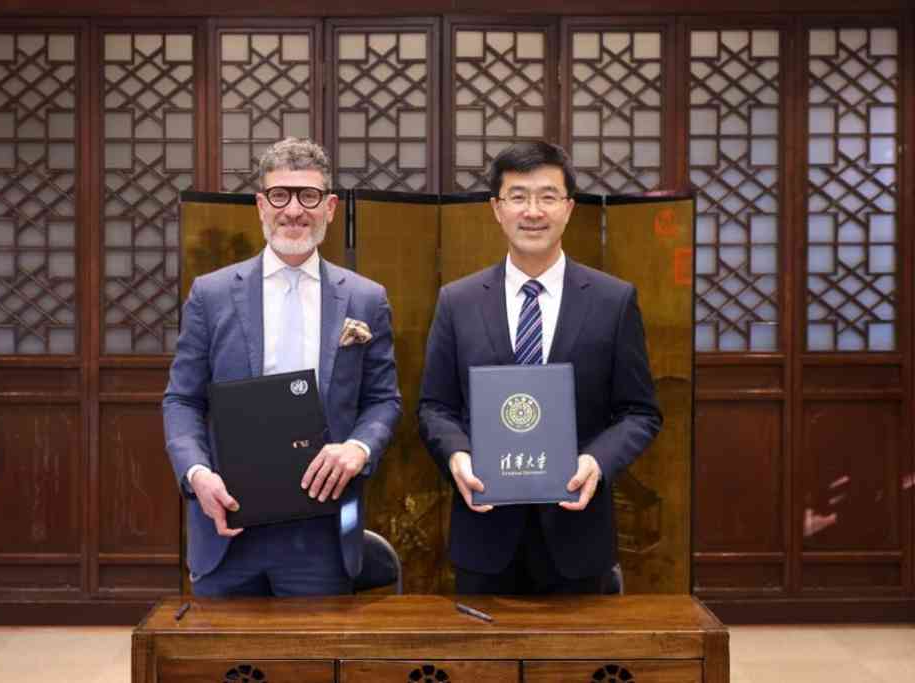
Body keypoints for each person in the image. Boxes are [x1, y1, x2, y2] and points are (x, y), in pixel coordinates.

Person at [418, 141, 662, 595]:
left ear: (569, 208)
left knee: (576, 645)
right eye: (518, 196)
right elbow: (435, 406)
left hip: (578, 535)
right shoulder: (458, 301)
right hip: (485, 534)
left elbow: (640, 412)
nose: (533, 211)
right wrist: (457, 455)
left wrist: (597, 461)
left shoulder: (613, 301)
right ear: (496, 208)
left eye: (548, 196)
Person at [163, 137, 402, 597]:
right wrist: (197, 474)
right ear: (260, 205)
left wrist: (358, 447)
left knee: (314, 646)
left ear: (330, 207)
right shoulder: (211, 294)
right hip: (228, 523)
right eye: (279, 195)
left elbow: (383, 400)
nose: (294, 210)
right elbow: (182, 400)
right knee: (223, 647)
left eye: (308, 196)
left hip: (323, 531)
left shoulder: (365, 299)